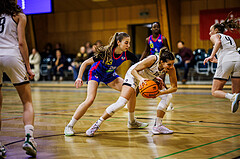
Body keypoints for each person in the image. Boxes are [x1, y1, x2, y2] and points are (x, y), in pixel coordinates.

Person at [64, 32, 147, 136]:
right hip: (96, 73)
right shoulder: (106, 53)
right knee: (90, 100)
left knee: (131, 91)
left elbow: (141, 64)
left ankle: (132, 122)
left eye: (129, 43)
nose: (128, 45)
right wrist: (79, 77)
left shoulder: (126, 54)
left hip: (109, 76)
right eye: (126, 43)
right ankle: (69, 126)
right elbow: (85, 63)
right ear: (118, 42)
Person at [86, 47, 177, 137]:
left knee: (168, 96)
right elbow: (134, 71)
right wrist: (141, 80)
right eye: (169, 64)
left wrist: (160, 92)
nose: (171, 66)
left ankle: (158, 125)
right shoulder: (153, 59)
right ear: (162, 62)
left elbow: (174, 88)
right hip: (133, 76)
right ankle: (96, 124)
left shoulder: (171, 69)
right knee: (121, 103)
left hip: (145, 78)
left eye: (173, 64)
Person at [0, 0, 37, 157]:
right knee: (27, 101)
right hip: (12, 56)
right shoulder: (19, 16)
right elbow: (21, 43)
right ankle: (29, 138)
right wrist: (28, 66)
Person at [203, 15, 240, 113]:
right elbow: (229, 55)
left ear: (216, 30)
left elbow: (218, 42)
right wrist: (217, 60)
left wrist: (211, 56)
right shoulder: (230, 38)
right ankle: (234, 97)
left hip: (227, 61)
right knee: (237, 92)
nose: (210, 33)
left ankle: (231, 97)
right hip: (238, 60)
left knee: (215, 91)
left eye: (211, 30)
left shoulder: (215, 36)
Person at [140, 21, 174, 111]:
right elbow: (146, 51)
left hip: (161, 64)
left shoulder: (163, 39)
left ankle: (169, 102)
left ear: (159, 28)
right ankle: (129, 103)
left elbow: (168, 50)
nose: (156, 29)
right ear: (151, 28)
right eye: (154, 27)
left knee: (161, 82)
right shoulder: (148, 39)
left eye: (157, 27)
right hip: (152, 63)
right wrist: (140, 60)